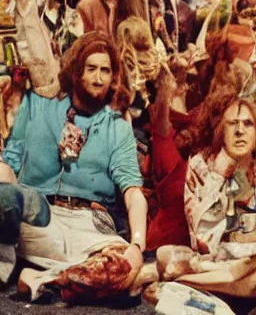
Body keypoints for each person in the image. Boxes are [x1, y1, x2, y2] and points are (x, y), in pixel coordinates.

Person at [0, 32, 148, 300]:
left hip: (90, 224)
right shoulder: (38, 104)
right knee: (5, 195)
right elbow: (9, 162)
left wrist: (137, 244)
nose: (98, 78)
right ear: (77, 71)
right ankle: (40, 273)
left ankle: (43, 278)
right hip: (40, 215)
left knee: (125, 272)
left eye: (105, 70)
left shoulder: (117, 127)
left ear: (114, 77)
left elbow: (133, 192)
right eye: (91, 68)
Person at [151, 93, 256, 298]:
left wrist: (254, 246)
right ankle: (231, 284)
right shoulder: (200, 165)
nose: (240, 131)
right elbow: (202, 239)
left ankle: (197, 283)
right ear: (221, 131)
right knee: (165, 255)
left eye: (248, 124)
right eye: (232, 123)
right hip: (217, 259)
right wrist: (219, 174)